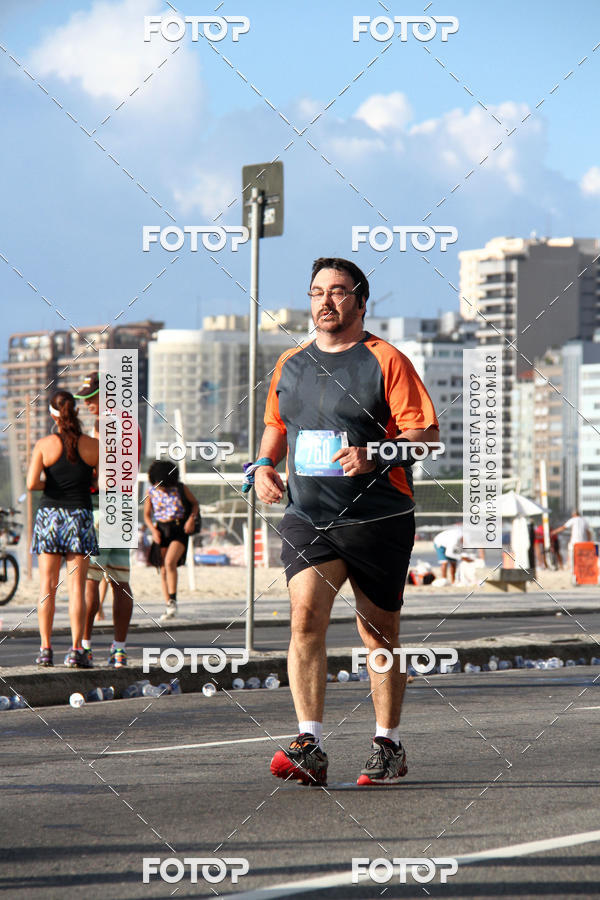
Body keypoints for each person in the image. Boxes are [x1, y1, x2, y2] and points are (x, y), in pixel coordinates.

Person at [254, 257, 439, 786]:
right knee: (304, 619)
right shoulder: (290, 363)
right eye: (316, 292)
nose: (325, 302)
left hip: (377, 517)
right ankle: (308, 742)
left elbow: (425, 436)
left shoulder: (386, 360)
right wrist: (263, 467)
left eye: (338, 292)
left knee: (377, 634)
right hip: (308, 514)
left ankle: (388, 744)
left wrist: (375, 454)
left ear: (360, 301)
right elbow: (275, 425)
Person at [26, 391, 99, 667]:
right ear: (76, 412)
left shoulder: (44, 445)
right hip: (78, 515)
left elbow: (32, 483)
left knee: (47, 586)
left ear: (52, 414)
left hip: (50, 516)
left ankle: (45, 649)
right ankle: (76, 650)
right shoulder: (92, 446)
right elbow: (101, 484)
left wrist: (53, 486)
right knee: (76, 588)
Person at [73, 372, 137, 668]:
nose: (88, 405)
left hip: (101, 505)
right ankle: (119, 648)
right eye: (85, 399)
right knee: (121, 580)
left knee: (91, 579)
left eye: (92, 398)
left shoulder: (103, 425)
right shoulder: (131, 424)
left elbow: (100, 472)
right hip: (124, 505)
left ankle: (85, 646)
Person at [144, 460, 199, 621]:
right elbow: (147, 515)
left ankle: (173, 600)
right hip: (161, 529)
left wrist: (191, 519)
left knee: (170, 562)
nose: (163, 488)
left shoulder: (180, 488)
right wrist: (153, 530)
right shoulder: (151, 492)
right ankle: (168, 603)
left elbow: (194, 504)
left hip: (179, 528)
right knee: (162, 569)